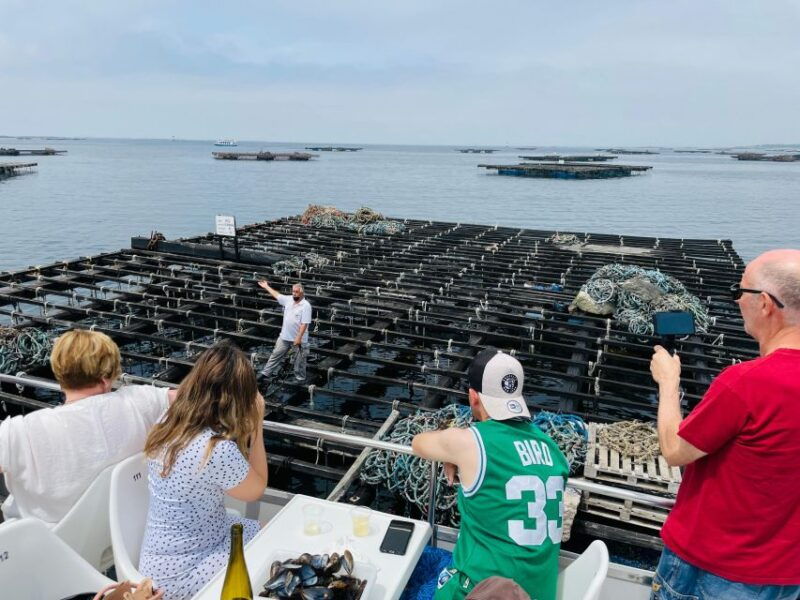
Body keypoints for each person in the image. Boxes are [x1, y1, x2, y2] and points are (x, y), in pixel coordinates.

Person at [649, 249, 800, 600]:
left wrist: (668, 383)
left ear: (765, 304)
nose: (736, 300)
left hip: (711, 572)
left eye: (739, 291)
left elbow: (675, 450)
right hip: (787, 576)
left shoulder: (747, 382)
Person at [412, 348, 569, 600]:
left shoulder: (469, 443)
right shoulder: (553, 449)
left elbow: (418, 443)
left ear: (473, 397)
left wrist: (452, 453)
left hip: (482, 592)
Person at [0, 329, 173, 524]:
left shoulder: (20, 433)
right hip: (122, 528)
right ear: (106, 378)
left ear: (58, 371)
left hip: (45, 538)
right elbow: (190, 397)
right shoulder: (141, 401)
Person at [139, 341, 268, 600]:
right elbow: (256, 489)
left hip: (162, 560)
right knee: (268, 548)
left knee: (263, 529)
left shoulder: (168, 421)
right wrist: (257, 426)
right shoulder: (214, 449)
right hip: (184, 573)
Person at [257, 280, 312, 382]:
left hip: (299, 339)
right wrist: (266, 286)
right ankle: (266, 373)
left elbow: (304, 324)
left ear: (302, 293)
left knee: (299, 361)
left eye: (296, 292)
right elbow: (277, 295)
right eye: (293, 291)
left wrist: (298, 338)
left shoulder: (306, 305)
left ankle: (300, 378)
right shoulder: (288, 299)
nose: (294, 293)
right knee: (275, 354)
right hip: (285, 336)